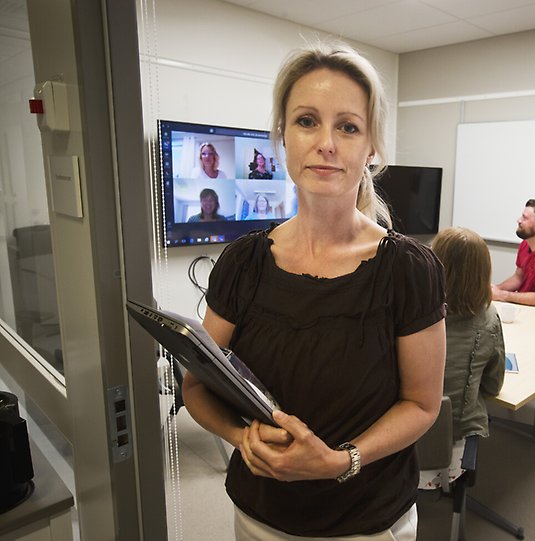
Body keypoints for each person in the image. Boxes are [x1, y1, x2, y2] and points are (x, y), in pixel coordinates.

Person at [181, 39, 446, 540]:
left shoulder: (408, 270)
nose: (326, 143)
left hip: (367, 524)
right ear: (283, 137)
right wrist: (241, 436)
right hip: (259, 518)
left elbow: (421, 405)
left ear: (371, 147)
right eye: (307, 121)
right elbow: (196, 385)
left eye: (348, 126)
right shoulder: (243, 263)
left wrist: (341, 461)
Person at [420, 227, 505, 490]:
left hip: (393, 450)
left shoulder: (406, 310)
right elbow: (493, 386)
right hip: (451, 462)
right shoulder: (488, 320)